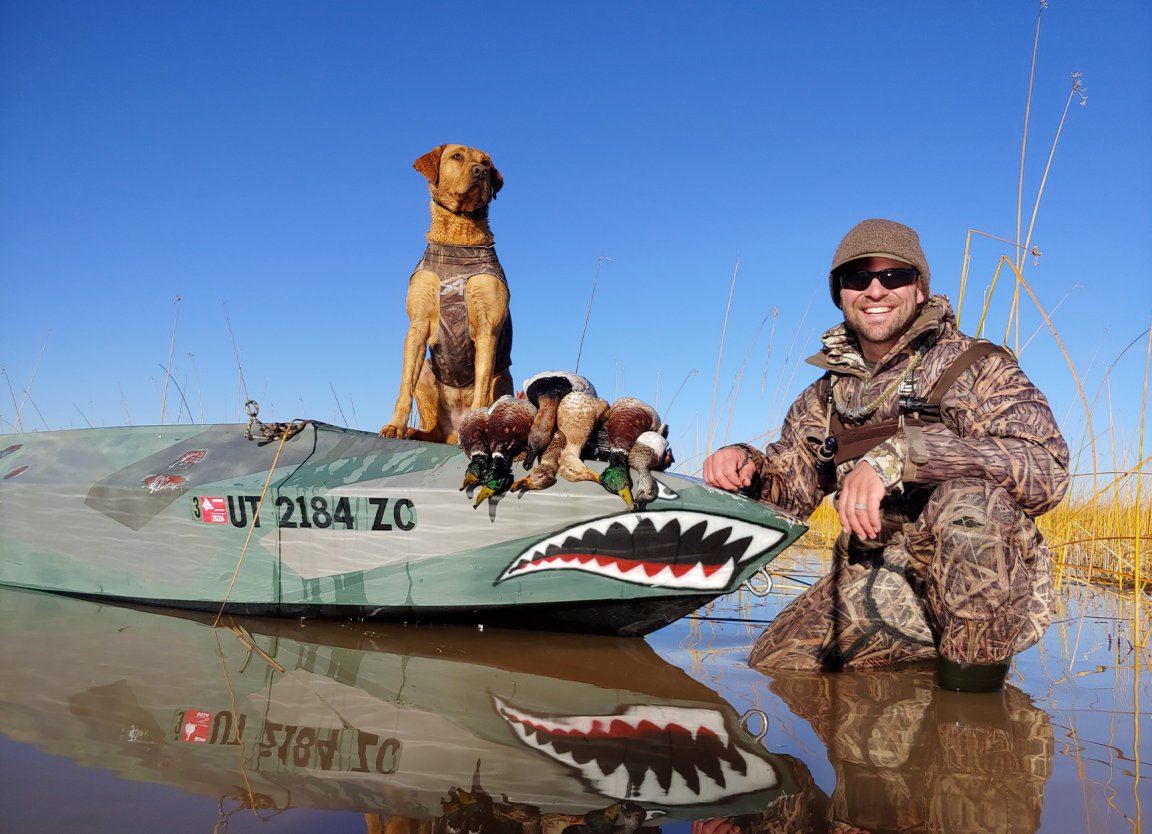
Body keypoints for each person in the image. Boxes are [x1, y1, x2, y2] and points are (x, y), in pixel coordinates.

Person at [703, 218, 1069, 692]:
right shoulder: (824, 395)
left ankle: (974, 714)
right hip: (876, 572)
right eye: (857, 278)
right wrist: (747, 468)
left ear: (919, 289)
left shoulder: (978, 365)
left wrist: (900, 457)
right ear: (840, 294)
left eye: (894, 276)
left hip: (981, 575)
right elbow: (792, 492)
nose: (875, 290)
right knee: (778, 664)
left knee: (970, 508)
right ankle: (915, 681)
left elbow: (1047, 470)